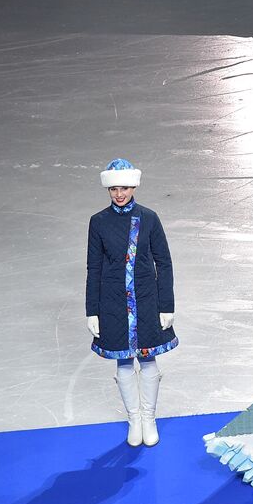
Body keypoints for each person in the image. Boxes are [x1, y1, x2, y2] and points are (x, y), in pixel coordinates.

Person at [87, 159, 177, 447]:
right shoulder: (98, 222)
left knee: (148, 359)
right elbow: (94, 268)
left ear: (134, 185)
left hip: (146, 299)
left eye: (124, 187)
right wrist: (93, 310)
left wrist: (167, 304)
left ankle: (149, 418)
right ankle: (134, 418)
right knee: (124, 361)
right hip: (112, 302)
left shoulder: (149, 218)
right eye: (114, 189)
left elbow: (163, 262)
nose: (119, 194)